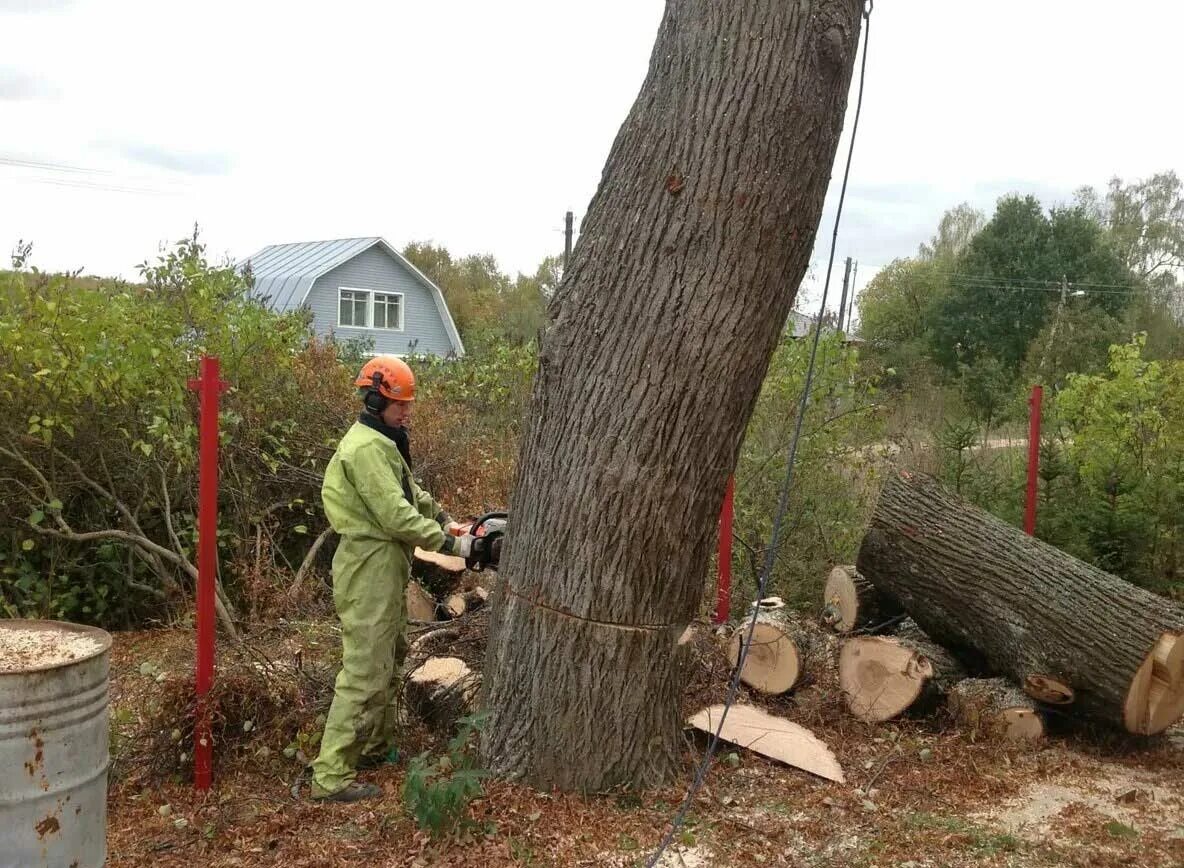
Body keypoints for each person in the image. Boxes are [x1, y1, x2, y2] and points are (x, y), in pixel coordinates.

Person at [310, 354, 474, 802]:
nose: (406, 411)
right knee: (365, 668)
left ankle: (376, 748)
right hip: (368, 564)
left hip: (386, 563)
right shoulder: (364, 449)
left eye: (408, 404)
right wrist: (451, 545)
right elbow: (394, 513)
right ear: (372, 400)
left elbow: (410, 493)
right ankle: (330, 776)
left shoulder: (384, 442)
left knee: (392, 653)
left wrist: (446, 519)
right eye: (398, 404)